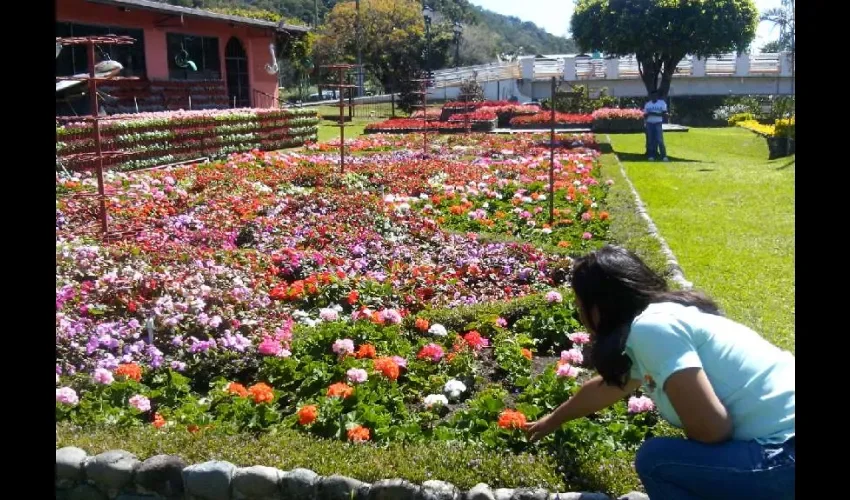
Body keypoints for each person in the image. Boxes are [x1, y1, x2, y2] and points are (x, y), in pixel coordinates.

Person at [526, 245, 795, 500]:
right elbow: (606, 388)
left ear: (597, 307)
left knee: (657, 460)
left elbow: (712, 429)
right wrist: (551, 421)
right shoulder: (667, 316)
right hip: (784, 445)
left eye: (579, 302)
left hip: (784, 452)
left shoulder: (651, 329)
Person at [643, 91, 669, 161]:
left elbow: (664, 114)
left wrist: (652, 113)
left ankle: (664, 156)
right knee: (650, 140)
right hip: (649, 123)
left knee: (660, 140)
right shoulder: (648, 104)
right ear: (651, 97)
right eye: (652, 96)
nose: (654, 97)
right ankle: (651, 156)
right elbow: (645, 115)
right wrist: (649, 114)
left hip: (658, 123)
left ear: (657, 96)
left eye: (655, 96)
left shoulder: (662, 103)